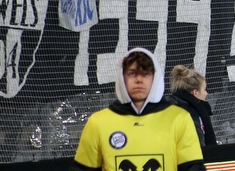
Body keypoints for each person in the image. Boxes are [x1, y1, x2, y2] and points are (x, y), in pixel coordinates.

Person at [71, 48, 205, 171]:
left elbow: (193, 168)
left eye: (146, 74)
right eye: (132, 73)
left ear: (155, 78)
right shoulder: (98, 122)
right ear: (122, 77)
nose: (139, 80)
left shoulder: (179, 119)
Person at [165, 65, 217, 149]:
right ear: (195, 92)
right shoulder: (191, 114)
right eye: (204, 89)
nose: (206, 93)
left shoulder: (169, 105)